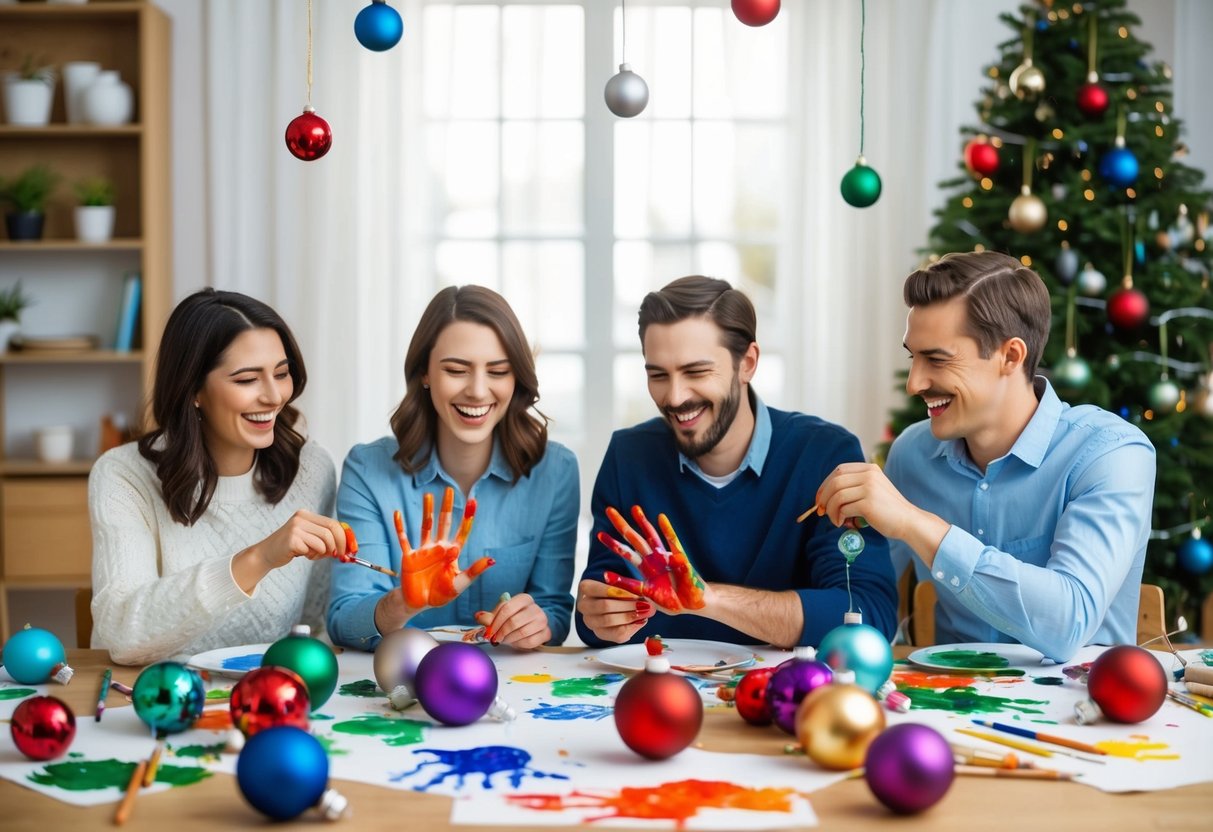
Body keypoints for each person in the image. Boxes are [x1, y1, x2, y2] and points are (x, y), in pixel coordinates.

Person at [815, 251, 1156, 662]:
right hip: (943, 704)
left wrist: (916, 523)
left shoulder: (1111, 453)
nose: (914, 383)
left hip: (1079, 714)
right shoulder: (912, 453)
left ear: (1011, 356)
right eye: (913, 357)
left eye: (937, 359)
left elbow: (1069, 623)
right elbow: (861, 590)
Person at [576, 276, 898, 648]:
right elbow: (598, 606)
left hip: (786, 697)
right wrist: (600, 614)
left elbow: (867, 614)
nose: (676, 396)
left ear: (747, 363)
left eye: (696, 372)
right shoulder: (628, 456)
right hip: (659, 689)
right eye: (658, 375)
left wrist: (709, 600)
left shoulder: (824, 454)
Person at [89, 289, 348, 665]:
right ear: (193, 389)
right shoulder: (124, 476)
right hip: (153, 699)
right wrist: (259, 557)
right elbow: (123, 636)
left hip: (271, 698)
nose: (275, 396)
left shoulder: (311, 469)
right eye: (247, 380)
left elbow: (314, 626)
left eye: (281, 373)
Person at [327, 285, 578, 650]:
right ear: (425, 373)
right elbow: (343, 621)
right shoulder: (368, 471)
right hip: (399, 683)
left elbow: (553, 610)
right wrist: (404, 602)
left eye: (498, 371)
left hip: (512, 685)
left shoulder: (555, 471)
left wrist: (537, 622)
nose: (477, 391)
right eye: (457, 370)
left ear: (516, 378)